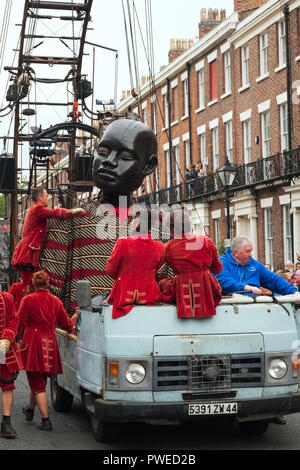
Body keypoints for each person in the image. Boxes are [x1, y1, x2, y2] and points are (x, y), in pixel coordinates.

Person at [39, 119, 159, 315]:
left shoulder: (159, 228)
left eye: (125, 156)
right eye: (102, 152)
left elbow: (168, 288)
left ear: (148, 166)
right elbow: (48, 292)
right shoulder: (68, 224)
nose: (109, 161)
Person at [16, 270, 75, 431]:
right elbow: (67, 324)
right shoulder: (56, 301)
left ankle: (45, 420)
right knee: (39, 380)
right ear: (48, 283)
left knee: (37, 383)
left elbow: (19, 324)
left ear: (34, 283)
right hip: (49, 343)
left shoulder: (28, 300)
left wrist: (14, 340)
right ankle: (29, 410)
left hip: (32, 343)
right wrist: (75, 322)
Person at [11, 187, 85, 289]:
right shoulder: (37, 209)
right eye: (46, 196)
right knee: (29, 286)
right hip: (28, 254)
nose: (48, 198)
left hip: (29, 253)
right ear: (40, 198)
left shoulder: (35, 210)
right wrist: (73, 211)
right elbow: (54, 213)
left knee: (30, 284)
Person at [158, 209, 223, 318]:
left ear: (173, 228)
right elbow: (218, 269)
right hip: (207, 288)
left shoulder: (169, 247)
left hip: (181, 289)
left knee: (161, 284)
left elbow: (157, 268)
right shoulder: (206, 241)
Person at [106, 209, 166, 318]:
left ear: (137, 223)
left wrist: (122, 277)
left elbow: (110, 270)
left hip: (123, 295)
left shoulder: (123, 242)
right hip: (149, 296)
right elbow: (157, 268)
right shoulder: (160, 247)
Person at [215, 235, 298, 297]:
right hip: (230, 308)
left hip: (255, 307)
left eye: (251, 251)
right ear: (236, 252)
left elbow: (274, 280)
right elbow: (224, 282)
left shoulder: (255, 265)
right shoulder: (221, 263)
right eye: (247, 252)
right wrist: (246, 287)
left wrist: (294, 292)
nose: (251, 255)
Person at [0, 290, 23, 439]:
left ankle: (6, 422)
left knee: (7, 386)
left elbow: (14, 320)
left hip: (4, 349)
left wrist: (7, 339)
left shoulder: (7, 298)